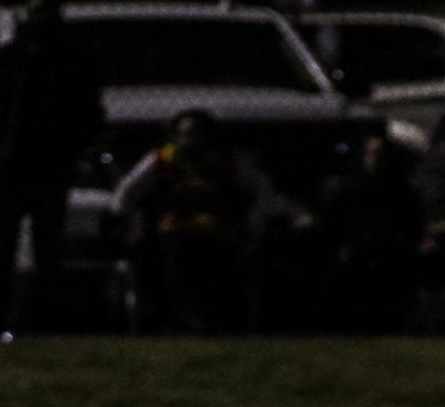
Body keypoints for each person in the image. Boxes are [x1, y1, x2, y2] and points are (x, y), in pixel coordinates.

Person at [0, 0, 104, 336]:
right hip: (31, 167)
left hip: (23, 167)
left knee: (11, 249)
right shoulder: (59, 62)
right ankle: (28, 321)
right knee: (31, 250)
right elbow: (91, 113)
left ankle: (8, 322)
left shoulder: (14, 61)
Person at [113, 110, 309, 332]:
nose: (190, 140)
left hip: (219, 232)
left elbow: (261, 187)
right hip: (176, 230)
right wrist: (125, 220)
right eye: (185, 134)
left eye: (197, 133)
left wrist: (255, 221)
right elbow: (128, 189)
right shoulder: (163, 158)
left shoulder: (228, 158)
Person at [322, 135, 422, 332]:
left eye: (379, 154)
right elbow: (335, 224)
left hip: (390, 261)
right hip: (357, 261)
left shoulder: (400, 192)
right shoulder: (351, 190)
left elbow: (413, 224)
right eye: (371, 154)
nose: (375, 159)